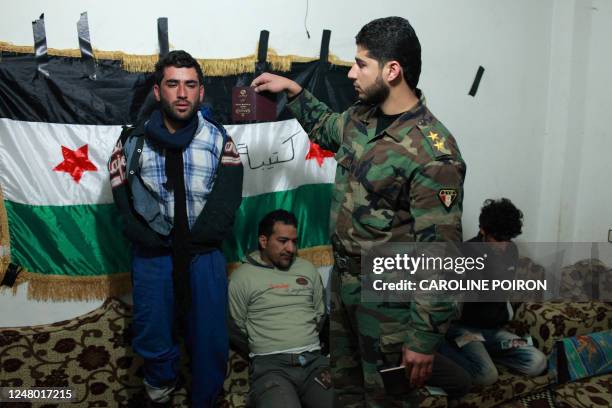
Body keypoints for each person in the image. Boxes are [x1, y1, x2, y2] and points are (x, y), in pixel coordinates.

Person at [251, 16, 469, 407]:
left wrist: (422, 339)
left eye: (360, 63)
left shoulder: (434, 153)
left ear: (392, 70)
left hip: (389, 307)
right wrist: (294, 90)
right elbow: (325, 127)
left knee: (386, 399)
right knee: (347, 392)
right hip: (346, 289)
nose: (351, 72)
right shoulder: (360, 117)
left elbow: (443, 258)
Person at [108, 50, 243, 407]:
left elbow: (229, 194)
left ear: (200, 92)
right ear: (158, 91)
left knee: (211, 335)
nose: (181, 93)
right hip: (154, 255)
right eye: (172, 84)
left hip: (204, 254)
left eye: (190, 85)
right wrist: (149, 238)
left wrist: (201, 238)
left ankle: (207, 398)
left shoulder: (218, 139)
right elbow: (123, 194)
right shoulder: (132, 142)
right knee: (153, 330)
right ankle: (159, 392)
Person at [228, 209, 332, 408]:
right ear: (264, 241)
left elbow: (320, 315)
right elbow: (236, 327)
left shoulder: (307, 270)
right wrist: (267, 345)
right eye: (283, 241)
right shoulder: (242, 278)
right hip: (271, 369)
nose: (291, 248)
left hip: (313, 364)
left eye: (294, 241)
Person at [439, 198, 547, 385]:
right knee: (486, 376)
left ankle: (486, 354)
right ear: (483, 229)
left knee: (537, 362)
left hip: (494, 332)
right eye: (498, 239)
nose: (503, 245)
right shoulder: (463, 253)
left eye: (508, 239)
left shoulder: (510, 251)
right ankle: (451, 352)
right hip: (466, 330)